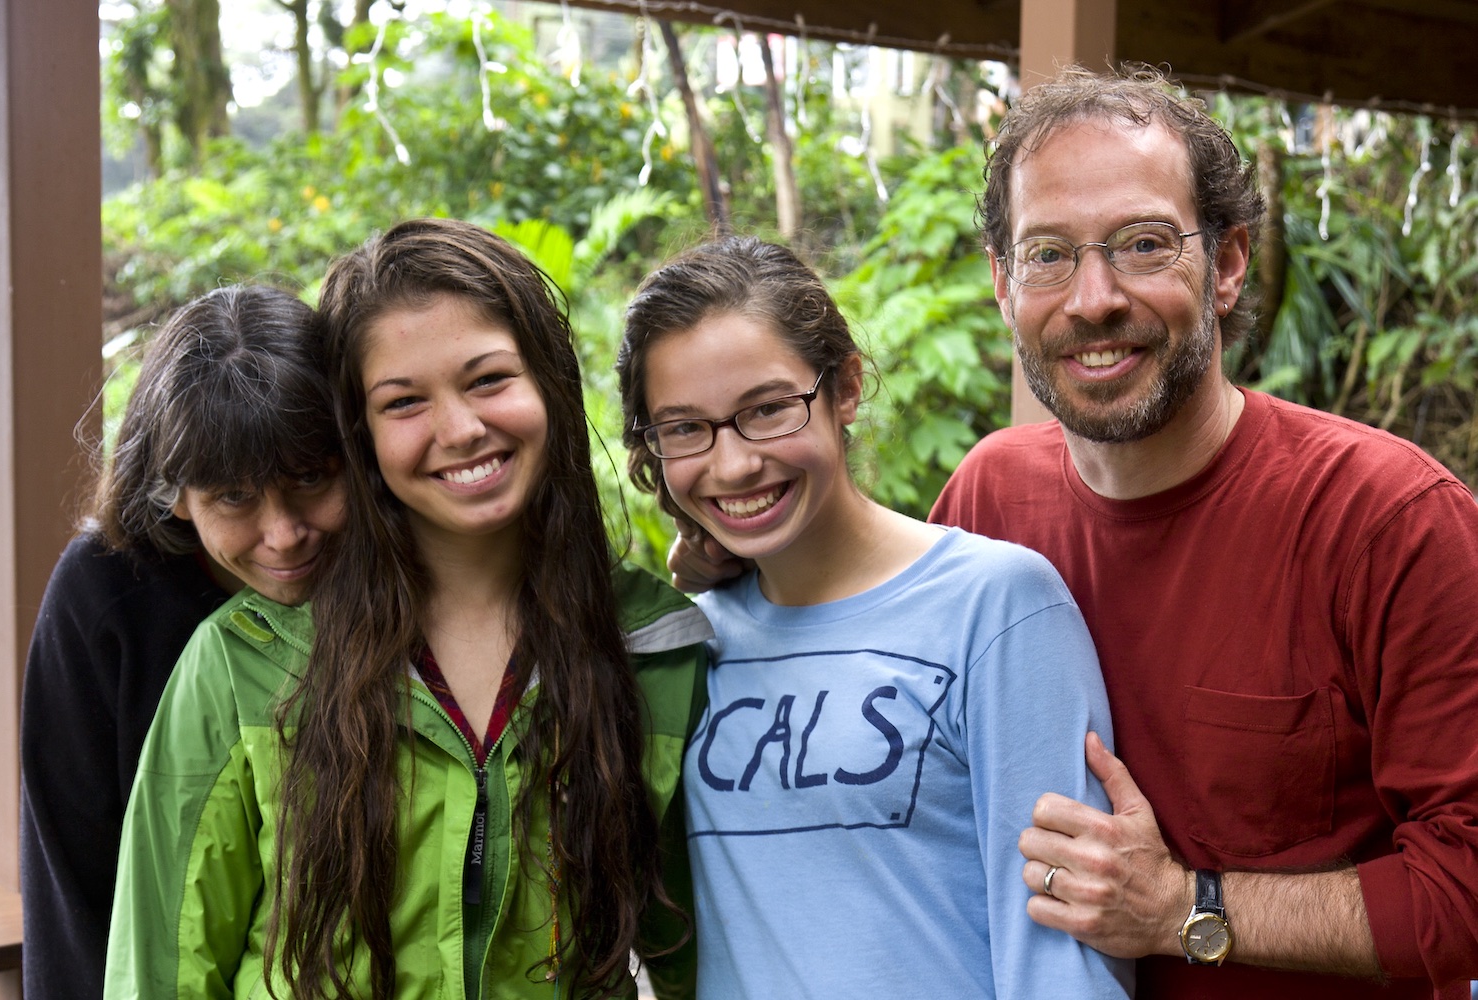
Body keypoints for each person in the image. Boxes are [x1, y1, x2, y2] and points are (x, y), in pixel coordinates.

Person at [670, 67, 1478, 999]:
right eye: (1048, 254)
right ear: (1005, 284)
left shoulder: (1388, 520)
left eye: (1142, 244)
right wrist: (740, 549)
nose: (1093, 298)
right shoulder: (990, 496)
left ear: (1226, 263)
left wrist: (1187, 910)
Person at [104, 218, 711, 1000]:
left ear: (550, 382)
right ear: (358, 430)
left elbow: (704, 957)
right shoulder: (250, 657)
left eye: (489, 379)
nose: (460, 430)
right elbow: (160, 969)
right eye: (403, 402)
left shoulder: (655, 645)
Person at [616, 235, 1132, 999]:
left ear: (845, 387)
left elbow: (1063, 948)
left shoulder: (996, 606)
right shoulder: (684, 645)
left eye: (766, 410)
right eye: (686, 428)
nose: (732, 465)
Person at [19, 285, 347, 999]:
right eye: (234, 498)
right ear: (172, 492)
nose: (284, 532)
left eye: (312, 477)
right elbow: (70, 874)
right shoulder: (102, 593)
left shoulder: (390, 577)